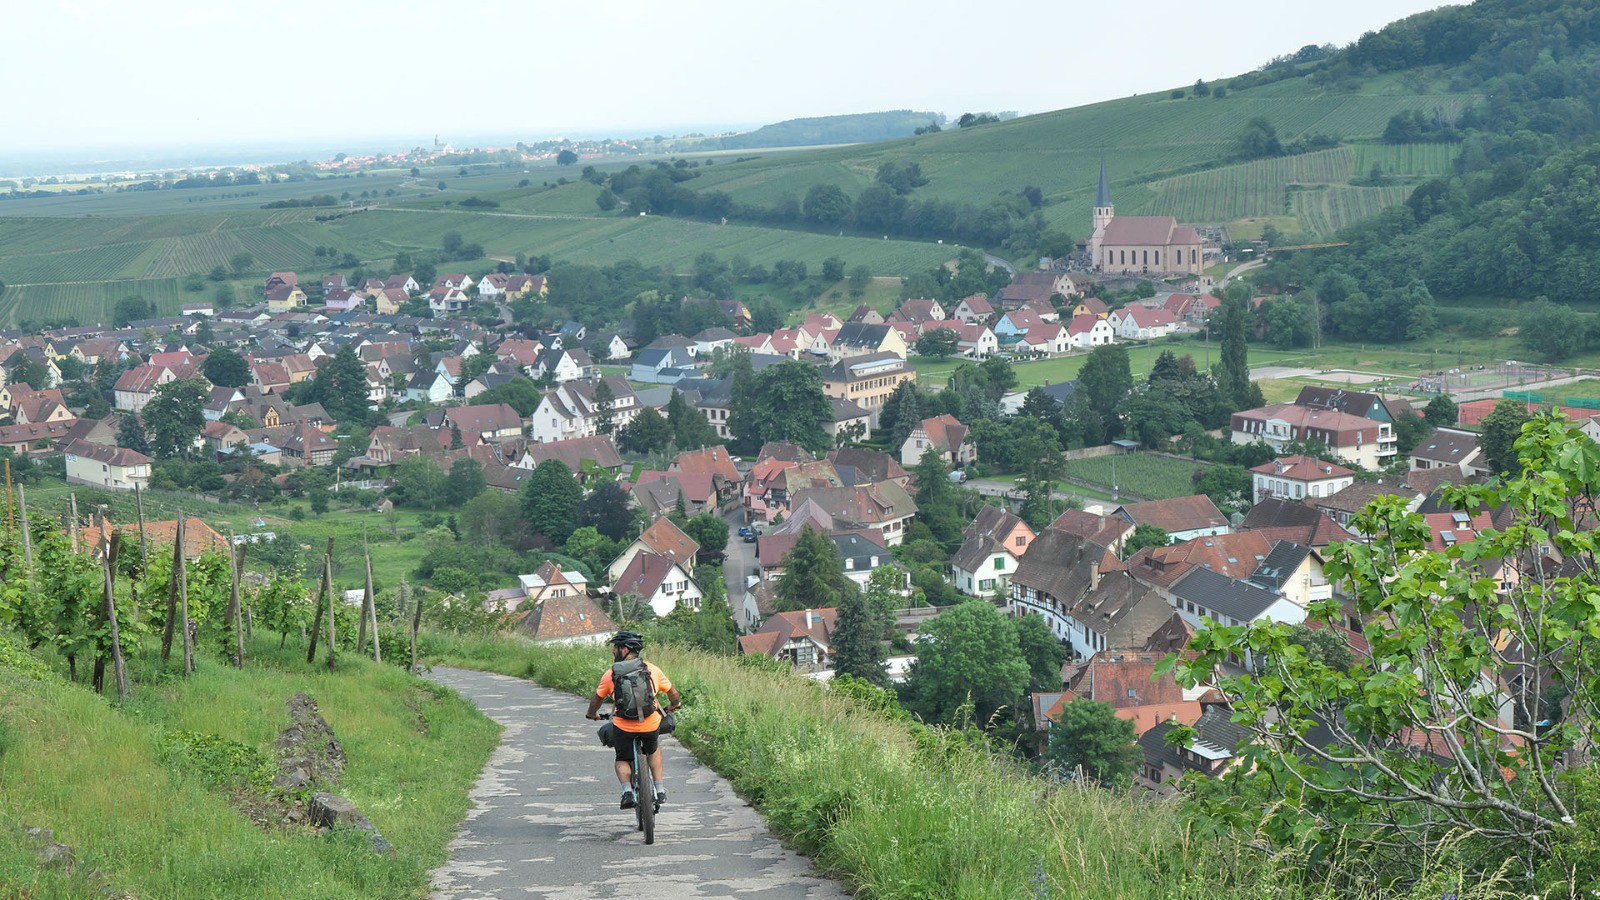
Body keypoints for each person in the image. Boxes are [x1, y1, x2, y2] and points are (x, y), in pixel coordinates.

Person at [586, 630, 681, 810]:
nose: (613, 651)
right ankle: (660, 789)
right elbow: (673, 693)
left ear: (625, 649)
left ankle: (627, 791)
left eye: (616, 647)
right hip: (650, 723)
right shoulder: (652, 669)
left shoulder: (611, 674)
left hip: (624, 727)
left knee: (622, 757)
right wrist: (674, 705)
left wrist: (592, 714)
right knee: (653, 749)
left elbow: (596, 700)